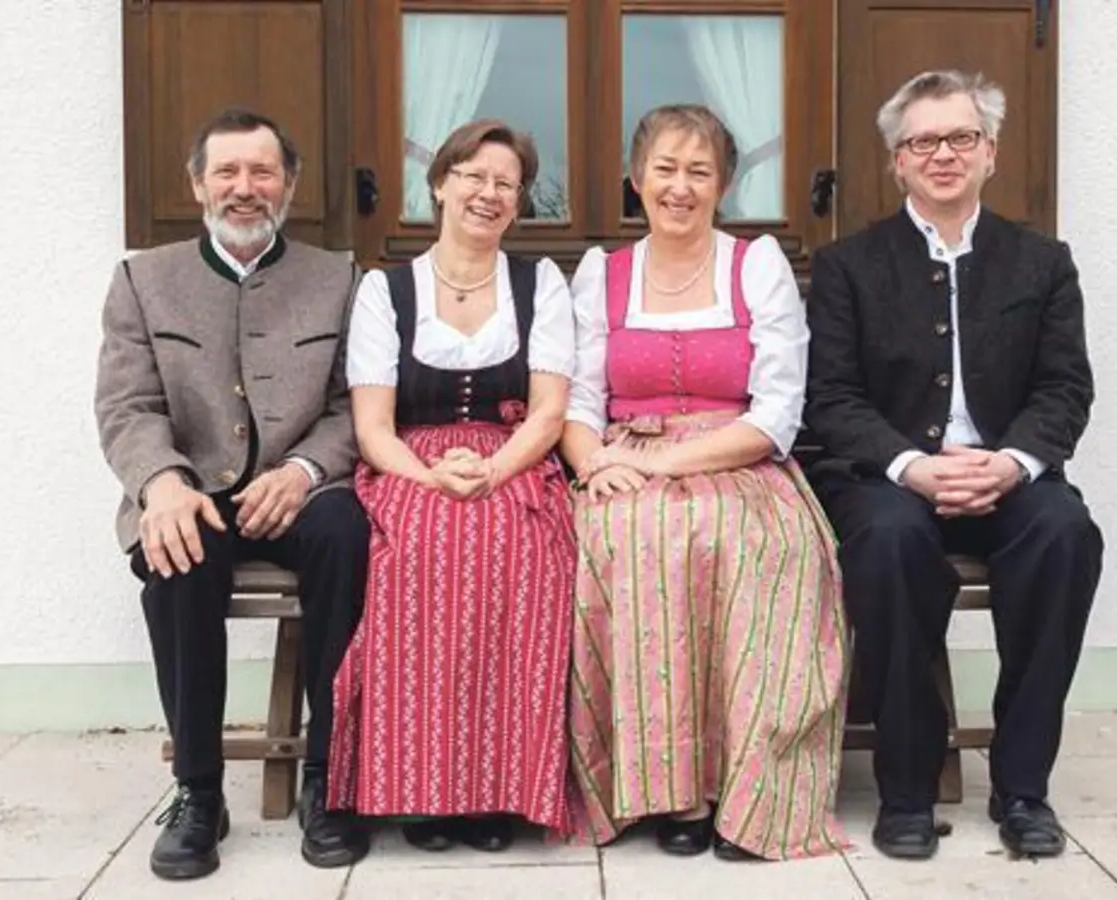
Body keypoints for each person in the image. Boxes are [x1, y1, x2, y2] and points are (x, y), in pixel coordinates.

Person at [802, 70, 1104, 860]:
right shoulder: (848, 267)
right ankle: (906, 790)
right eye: (923, 141)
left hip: (1009, 476)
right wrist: (910, 464)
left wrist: (1011, 463)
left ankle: (1023, 786)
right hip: (889, 481)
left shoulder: (1042, 263)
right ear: (896, 161)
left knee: (1065, 535)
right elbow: (829, 399)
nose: (943, 154)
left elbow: (1066, 387)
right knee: (891, 545)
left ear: (991, 153)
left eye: (960, 137)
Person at [560, 104, 851, 862]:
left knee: (760, 548)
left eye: (699, 171)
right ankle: (663, 786)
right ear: (636, 179)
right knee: (614, 536)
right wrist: (594, 463)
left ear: (723, 184)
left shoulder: (755, 265)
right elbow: (579, 399)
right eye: (665, 169)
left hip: (736, 458)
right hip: (620, 458)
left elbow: (777, 414)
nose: (680, 186)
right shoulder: (603, 273)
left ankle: (750, 786)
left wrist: (660, 464)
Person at [93, 108, 372, 879]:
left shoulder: (339, 277)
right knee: (177, 551)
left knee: (349, 538)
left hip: (303, 490)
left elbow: (357, 403)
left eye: (262, 172)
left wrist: (305, 471)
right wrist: (161, 484)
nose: (245, 189)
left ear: (289, 183)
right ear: (197, 184)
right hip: (194, 489)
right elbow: (126, 407)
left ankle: (329, 779)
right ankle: (197, 791)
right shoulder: (142, 280)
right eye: (228, 172)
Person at [324, 119, 578, 853]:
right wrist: (433, 474)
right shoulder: (386, 288)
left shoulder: (540, 285)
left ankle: (498, 788)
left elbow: (550, 411)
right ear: (439, 183)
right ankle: (422, 787)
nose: (487, 193)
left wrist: (495, 471)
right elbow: (373, 427)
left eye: (505, 183)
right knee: (420, 550)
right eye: (472, 176)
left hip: (515, 457)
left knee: (518, 551)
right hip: (411, 460)